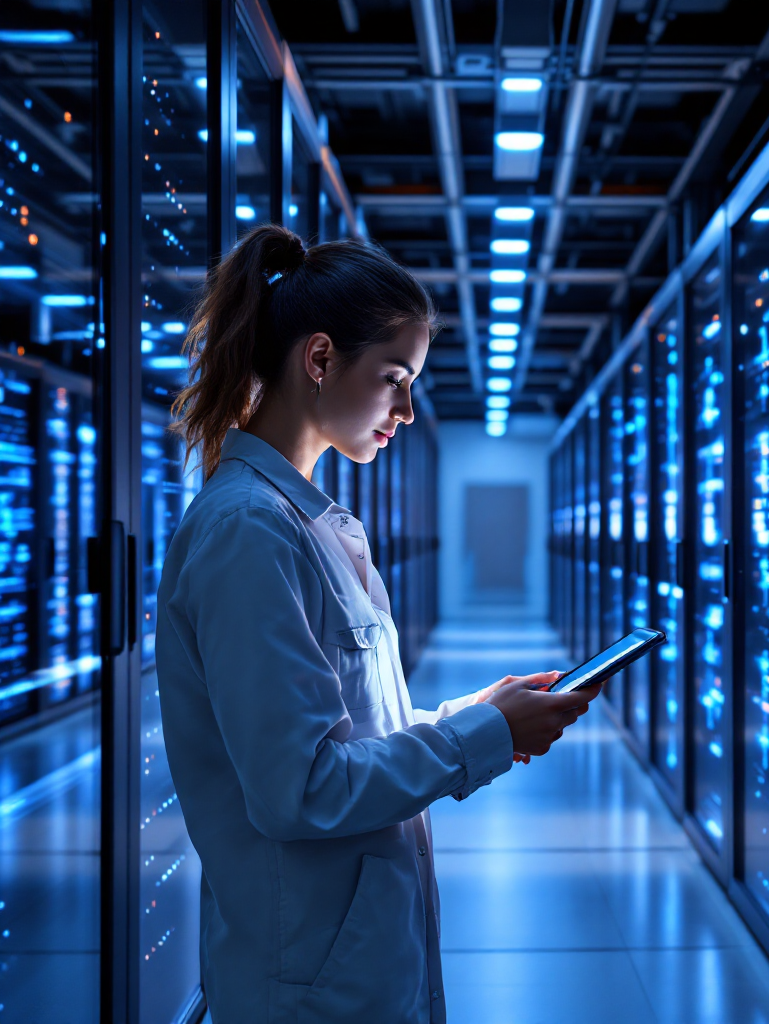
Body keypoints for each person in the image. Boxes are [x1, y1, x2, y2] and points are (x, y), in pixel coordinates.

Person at [155, 224, 600, 1024]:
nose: (406, 408)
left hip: (348, 962)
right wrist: (483, 740)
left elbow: (343, 737)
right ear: (319, 359)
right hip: (306, 986)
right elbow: (301, 791)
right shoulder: (249, 534)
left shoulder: (311, 524)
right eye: (394, 377)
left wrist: (476, 715)